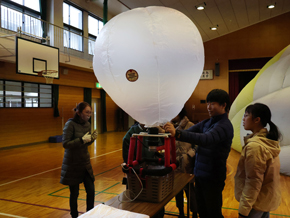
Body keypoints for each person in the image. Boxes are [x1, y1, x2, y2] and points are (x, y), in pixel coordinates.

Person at [164, 89, 233, 218]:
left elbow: (206, 139)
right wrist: (169, 130)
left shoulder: (224, 125)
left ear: (224, 105)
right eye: (207, 104)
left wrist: (177, 133)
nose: (208, 107)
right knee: (202, 210)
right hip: (200, 174)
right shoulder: (207, 122)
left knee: (213, 212)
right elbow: (190, 132)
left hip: (213, 177)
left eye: (212, 104)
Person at [234, 103, 281, 218]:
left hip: (254, 203)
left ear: (257, 120)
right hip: (263, 199)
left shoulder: (255, 147)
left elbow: (253, 181)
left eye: (246, 116)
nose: (243, 119)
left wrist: (243, 211)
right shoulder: (267, 140)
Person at [60, 102, 98, 218]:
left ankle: (89, 214)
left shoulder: (87, 124)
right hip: (72, 164)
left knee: (91, 190)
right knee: (74, 193)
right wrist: (81, 140)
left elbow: (86, 142)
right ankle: (74, 215)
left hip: (84, 162)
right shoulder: (70, 124)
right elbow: (65, 144)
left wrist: (91, 139)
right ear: (79, 112)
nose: (89, 115)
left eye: (90, 113)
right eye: (87, 112)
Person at [171, 107, 198, 218]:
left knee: (190, 190)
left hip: (187, 164)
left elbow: (197, 144)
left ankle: (195, 213)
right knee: (177, 190)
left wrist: (189, 156)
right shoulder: (172, 126)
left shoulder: (191, 125)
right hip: (176, 163)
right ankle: (181, 212)